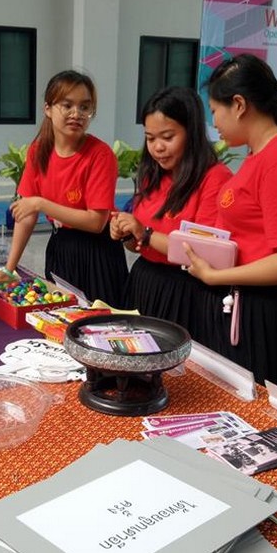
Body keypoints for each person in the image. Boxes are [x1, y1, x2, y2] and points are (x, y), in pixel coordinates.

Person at [182, 54, 277, 404]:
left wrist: (216, 276)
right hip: (245, 301)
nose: (213, 123)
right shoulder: (260, 154)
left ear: (239, 105)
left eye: (215, 111)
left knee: (258, 413)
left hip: (265, 311)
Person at [0, 70, 128, 306]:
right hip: (60, 248)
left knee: (100, 321)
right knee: (58, 316)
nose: (77, 114)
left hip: (98, 253)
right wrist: (9, 269)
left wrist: (41, 204)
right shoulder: (38, 151)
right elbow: (27, 215)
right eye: (67, 105)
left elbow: (96, 222)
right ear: (48, 108)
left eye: (85, 107)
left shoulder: (100, 154)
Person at [108, 86, 234, 353]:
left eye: (168, 137)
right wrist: (127, 234)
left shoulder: (214, 178)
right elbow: (139, 245)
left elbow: (204, 252)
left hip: (186, 292)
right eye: (150, 138)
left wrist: (146, 233)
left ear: (191, 132)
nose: (157, 147)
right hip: (144, 283)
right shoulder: (152, 175)